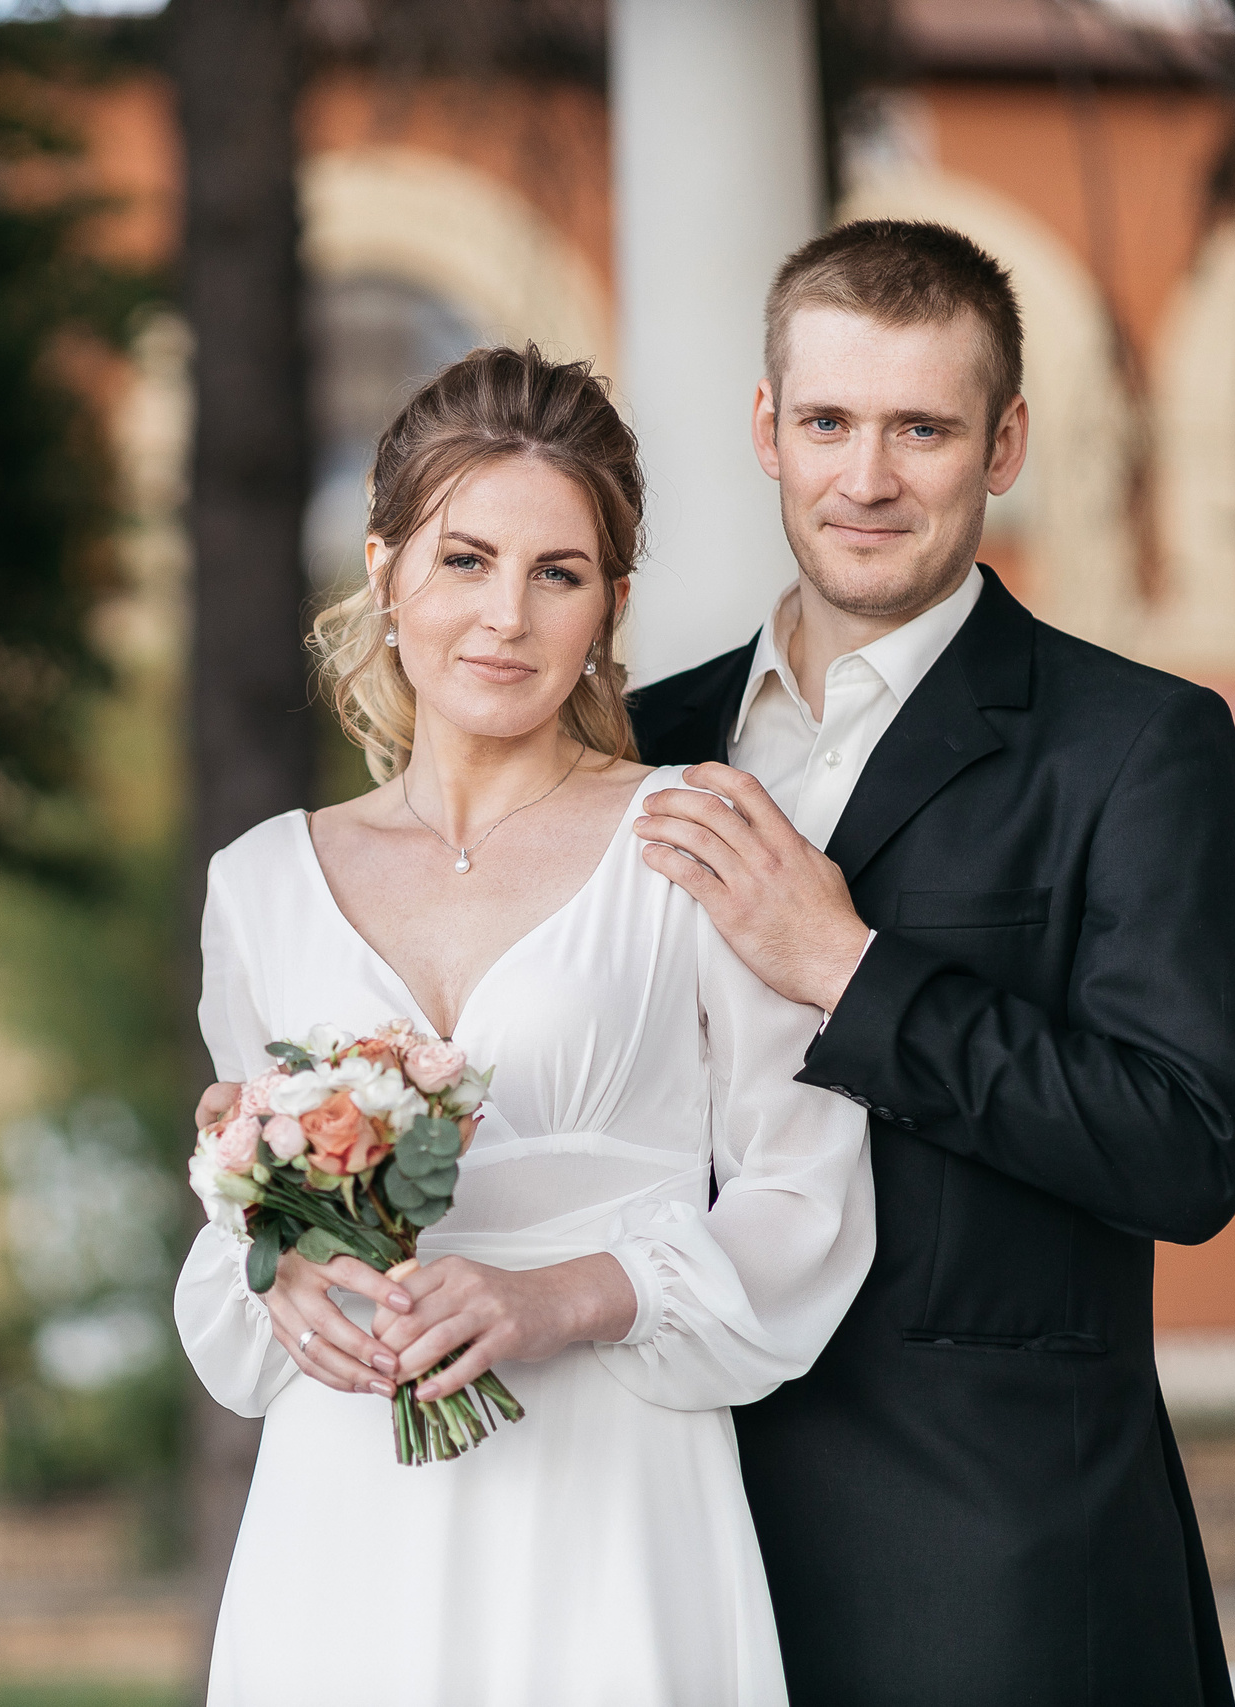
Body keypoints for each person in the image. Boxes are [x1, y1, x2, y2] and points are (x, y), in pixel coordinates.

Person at [174, 344, 874, 1706]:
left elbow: (807, 1195)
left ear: (610, 605)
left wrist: (560, 1299)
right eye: (465, 560)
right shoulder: (260, 885)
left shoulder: (698, 840)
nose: (506, 616)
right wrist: (281, 1267)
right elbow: (244, 1207)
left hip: (609, 1508)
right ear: (384, 569)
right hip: (343, 1515)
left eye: (558, 574)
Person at [629, 219, 1235, 1706]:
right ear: (766, 430)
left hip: (993, 1561)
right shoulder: (642, 742)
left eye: (921, 428)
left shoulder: (1136, 745)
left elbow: (1185, 1149)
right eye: (829, 423)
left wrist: (851, 971)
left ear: (1005, 444)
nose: (866, 478)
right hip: (668, 1519)